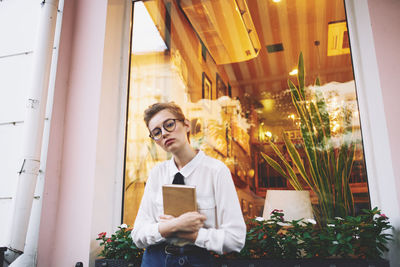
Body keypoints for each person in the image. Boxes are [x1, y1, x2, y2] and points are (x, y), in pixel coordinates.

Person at [132, 102, 246, 267]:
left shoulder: (216, 171)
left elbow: (235, 239)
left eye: (169, 124)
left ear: (186, 125)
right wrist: (174, 225)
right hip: (154, 259)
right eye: (156, 132)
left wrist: (193, 235)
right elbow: (138, 236)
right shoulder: (157, 173)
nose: (164, 133)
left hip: (197, 259)